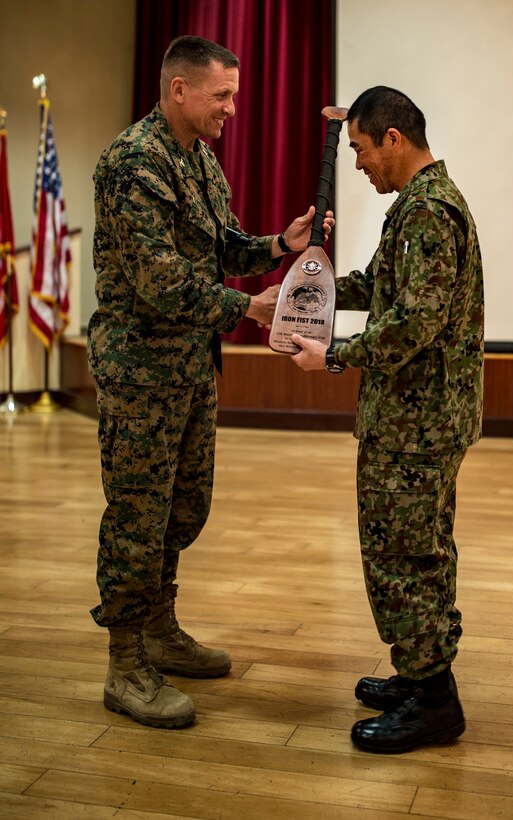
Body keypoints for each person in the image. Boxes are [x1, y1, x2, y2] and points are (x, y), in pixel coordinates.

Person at [87, 35, 334, 730]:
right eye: (221, 95)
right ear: (179, 91)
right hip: (141, 369)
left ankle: (160, 628)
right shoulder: (134, 164)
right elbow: (160, 278)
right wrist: (246, 307)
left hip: (191, 365)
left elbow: (220, 242)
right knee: (137, 516)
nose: (232, 107)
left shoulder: (198, 157)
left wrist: (276, 248)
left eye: (233, 94)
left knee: (183, 507)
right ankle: (126, 661)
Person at [290, 86, 483, 754]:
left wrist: (333, 356)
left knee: (403, 556)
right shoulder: (418, 207)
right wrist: (311, 287)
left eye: (362, 150)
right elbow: (379, 290)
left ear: (393, 139)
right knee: (421, 549)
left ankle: (433, 702)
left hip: (417, 424)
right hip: (419, 417)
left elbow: (413, 325)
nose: (360, 164)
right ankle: (420, 673)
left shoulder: (428, 212)